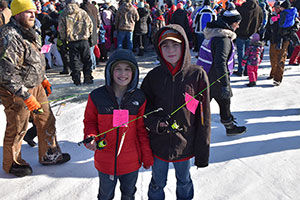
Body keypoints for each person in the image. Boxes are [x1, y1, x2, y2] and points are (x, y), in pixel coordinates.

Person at [0, 0, 70, 177]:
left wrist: (43, 79)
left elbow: (35, 59)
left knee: (47, 119)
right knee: (18, 126)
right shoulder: (9, 36)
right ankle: (12, 163)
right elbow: (7, 73)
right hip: (15, 90)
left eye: (34, 11)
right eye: (28, 12)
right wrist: (25, 95)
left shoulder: (30, 31)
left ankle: (50, 154)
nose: (33, 15)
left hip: (36, 84)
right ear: (17, 14)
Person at [141, 24, 211, 200]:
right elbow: (144, 110)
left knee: (184, 181)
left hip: (184, 143)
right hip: (159, 143)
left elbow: (204, 117)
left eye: (175, 45)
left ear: (184, 46)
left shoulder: (197, 75)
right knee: (157, 182)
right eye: (165, 46)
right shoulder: (153, 76)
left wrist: (202, 150)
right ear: (159, 49)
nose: (170, 50)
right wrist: (156, 123)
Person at [83, 49, 154, 200]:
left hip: (131, 162)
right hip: (106, 161)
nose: (123, 74)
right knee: (105, 195)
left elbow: (141, 130)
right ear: (110, 71)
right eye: (118, 69)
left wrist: (146, 155)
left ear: (134, 72)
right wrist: (91, 137)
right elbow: (90, 122)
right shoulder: (97, 96)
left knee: (128, 194)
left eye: (127, 69)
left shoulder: (139, 97)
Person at [197, 5, 247, 136]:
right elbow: (220, 63)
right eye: (237, 23)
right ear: (232, 23)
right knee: (222, 100)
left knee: (205, 103)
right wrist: (225, 84)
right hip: (215, 77)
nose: (238, 26)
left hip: (207, 74)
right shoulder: (223, 39)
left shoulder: (214, 32)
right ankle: (229, 127)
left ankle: (229, 125)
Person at [58, 0, 93, 85]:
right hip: (84, 40)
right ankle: (88, 77)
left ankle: (77, 79)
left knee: (74, 61)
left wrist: (63, 39)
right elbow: (90, 24)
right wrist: (89, 35)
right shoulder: (83, 12)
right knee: (86, 60)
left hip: (72, 41)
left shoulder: (63, 14)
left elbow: (61, 29)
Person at [235, 0, 263, 76]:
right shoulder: (259, 9)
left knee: (240, 53)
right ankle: (247, 70)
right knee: (250, 54)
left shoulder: (241, 8)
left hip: (240, 34)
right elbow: (261, 21)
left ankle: (240, 70)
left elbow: (237, 20)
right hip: (252, 35)